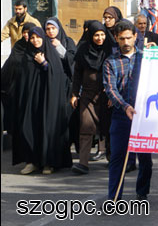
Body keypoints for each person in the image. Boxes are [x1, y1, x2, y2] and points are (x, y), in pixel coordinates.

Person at [12, 27, 72, 175]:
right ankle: (31, 161)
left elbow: (58, 75)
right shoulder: (26, 56)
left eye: (38, 37)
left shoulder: (51, 54)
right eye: (32, 38)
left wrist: (45, 63)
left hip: (48, 100)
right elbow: (23, 79)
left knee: (47, 129)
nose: (35, 40)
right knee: (29, 128)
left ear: (43, 38)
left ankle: (48, 163)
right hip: (31, 100)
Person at [103, 20, 152, 200]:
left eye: (129, 38)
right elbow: (110, 89)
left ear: (135, 37)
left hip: (143, 116)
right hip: (121, 115)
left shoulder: (147, 58)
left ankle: (142, 193)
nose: (125, 42)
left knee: (145, 160)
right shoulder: (111, 62)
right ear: (116, 38)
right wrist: (125, 107)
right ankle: (114, 198)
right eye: (122, 38)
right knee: (118, 158)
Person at [70, 21, 112, 174]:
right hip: (87, 95)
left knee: (108, 128)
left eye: (102, 34)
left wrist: (112, 95)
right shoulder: (83, 51)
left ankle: (111, 158)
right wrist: (74, 94)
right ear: (91, 36)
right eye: (96, 35)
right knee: (86, 127)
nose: (100, 38)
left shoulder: (110, 50)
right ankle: (83, 163)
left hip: (107, 96)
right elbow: (77, 75)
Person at [1, 23, 36, 137]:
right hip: (15, 84)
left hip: (30, 85)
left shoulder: (37, 46)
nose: (26, 35)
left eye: (28, 32)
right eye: (24, 32)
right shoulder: (19, 45)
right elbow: (11, 62)